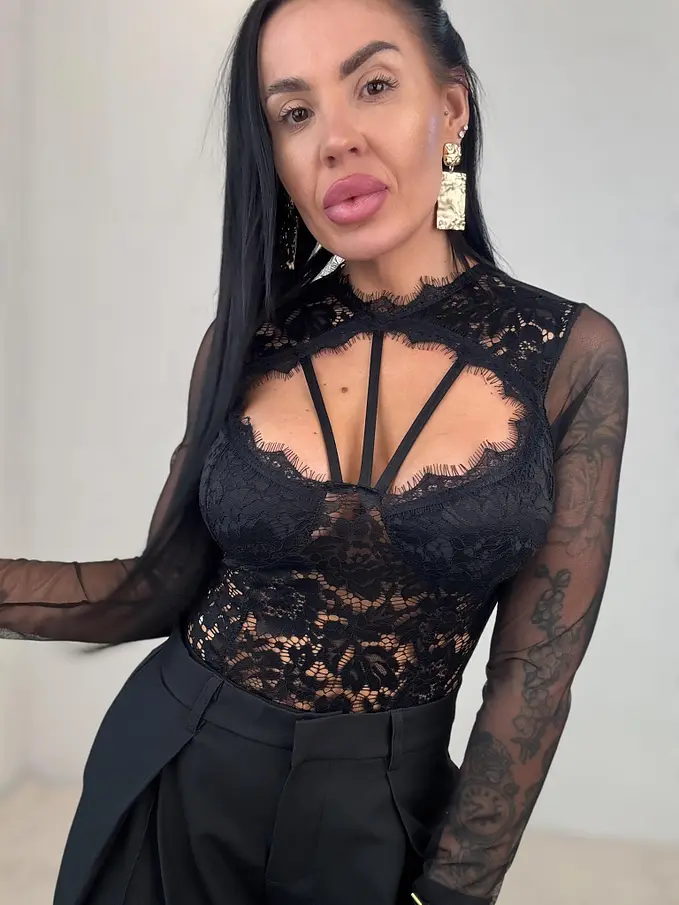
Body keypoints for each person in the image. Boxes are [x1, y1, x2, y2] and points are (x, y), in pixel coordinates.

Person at [0, 0, 629, 903]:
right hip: (173, 774)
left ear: (450, 108)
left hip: (380, 817)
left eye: (373, 86)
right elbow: (158, 586)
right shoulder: (247, 339)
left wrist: (457, 886)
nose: (335, 140)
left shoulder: (569, 356)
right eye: (294, 113)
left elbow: (535, 671)